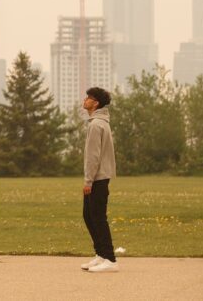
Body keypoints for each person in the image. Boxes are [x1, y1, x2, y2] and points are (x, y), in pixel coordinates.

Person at [80, 87, 118, 272]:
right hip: (100, 177)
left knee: (97, 218)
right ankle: (101, 254)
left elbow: (93, 157)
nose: (85, 100)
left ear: (96, 103)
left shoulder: (96, 124)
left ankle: (110, 259)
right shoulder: (100, 122)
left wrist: (88, 181)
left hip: (98, 178)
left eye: (89, 97)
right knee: (89, 215)